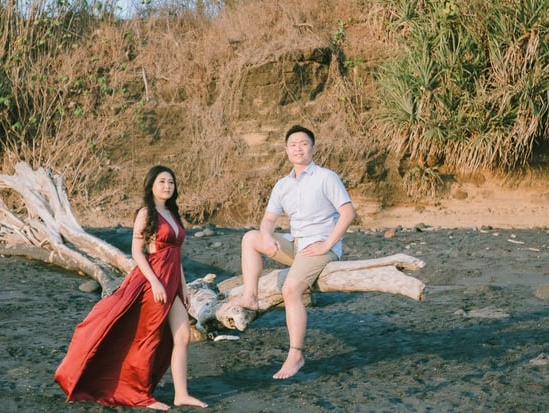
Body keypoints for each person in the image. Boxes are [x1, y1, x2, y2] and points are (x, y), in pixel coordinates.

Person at [54, 165, 207, 411]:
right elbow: (137, 251)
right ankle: (141, 394)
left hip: (172, 282)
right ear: (151, 185)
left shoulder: (172, 213)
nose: (167, 186)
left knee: (183, 336)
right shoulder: (146, 213)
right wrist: (155, 282)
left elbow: (176, 254)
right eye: (162, 182)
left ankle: (181, 394)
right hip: (153, 282)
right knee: (149, 338)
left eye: (171, 182)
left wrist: (184, 287)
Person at [223, 125, 355, 380]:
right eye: (293, 144)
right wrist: (266, 236)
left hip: (319, 247)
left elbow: (348, 213)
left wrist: (327, 244)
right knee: (250, 238)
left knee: (290, 290)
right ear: (286, 150)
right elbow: (268, 219)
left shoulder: (326, 177)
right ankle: (250, 297)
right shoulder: (283, 185)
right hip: (296, 244)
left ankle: (296, 354)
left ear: (313, 148)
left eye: (304, 143)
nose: (298, 148)